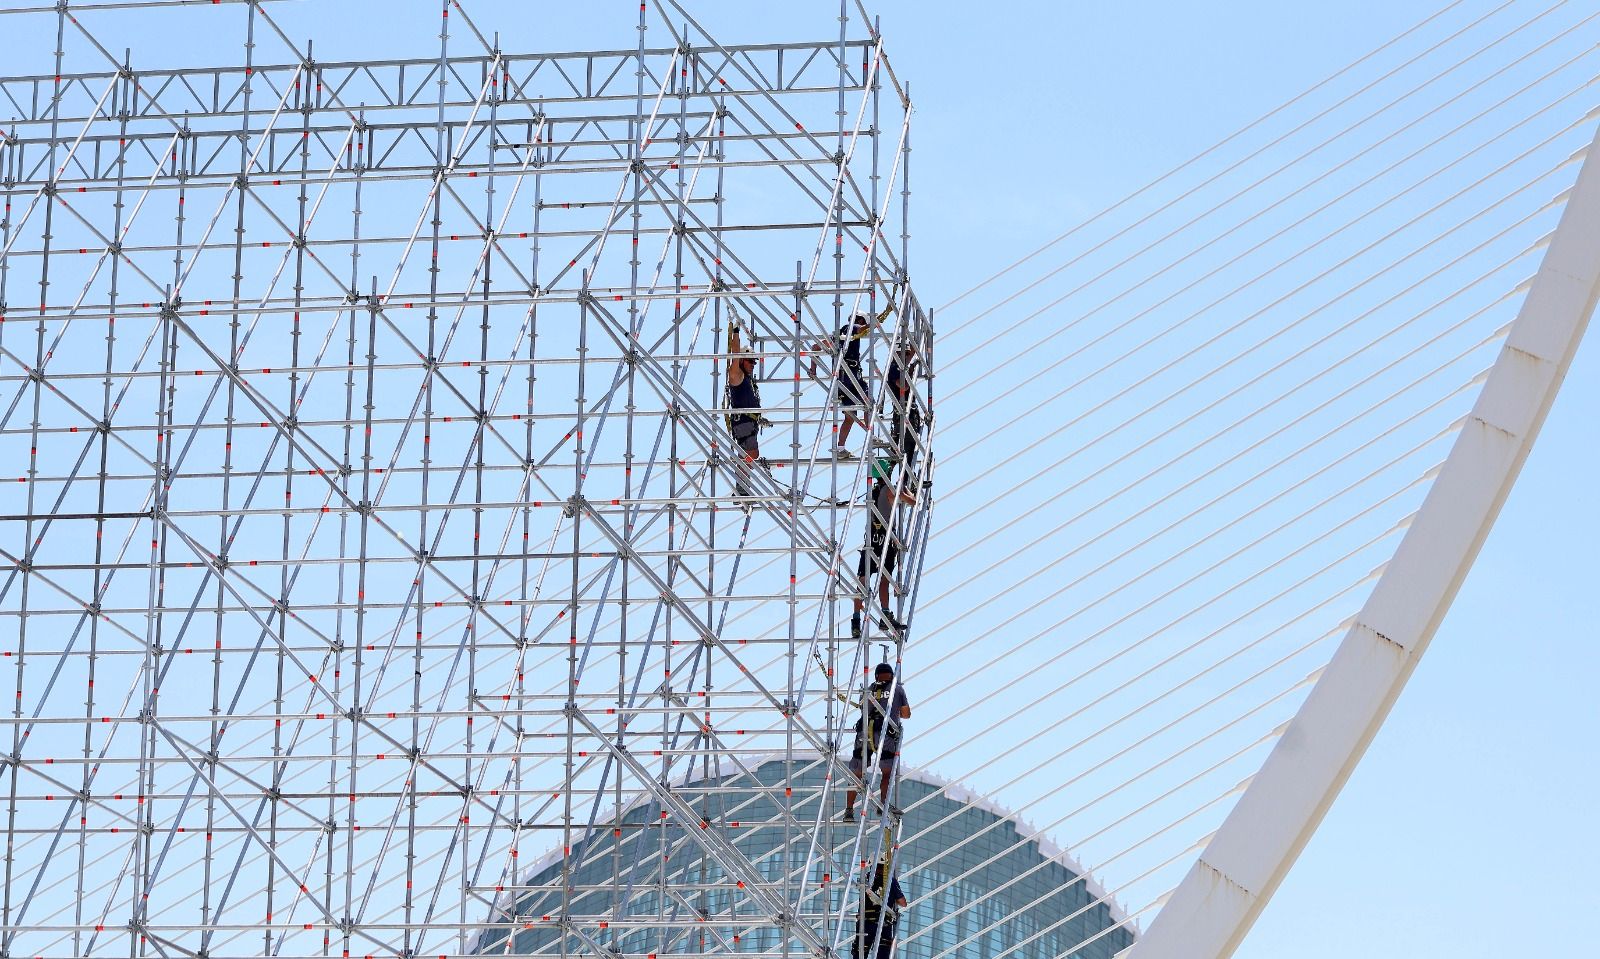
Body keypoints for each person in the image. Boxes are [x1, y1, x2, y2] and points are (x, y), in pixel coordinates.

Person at [811, 299, 895, 459]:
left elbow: (815, 348)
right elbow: (862, 329)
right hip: (851, 376)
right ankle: (871, 437)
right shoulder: (852, 328)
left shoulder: (837, 335)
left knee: (849, 416)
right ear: (859, 319)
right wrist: (884, 315)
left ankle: (840, 448)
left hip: (841, 380)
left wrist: (813, 369)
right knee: (868, 402)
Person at [853, 465, 918, 637]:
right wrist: (906, 490)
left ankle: (856, 620)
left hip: (871, 539)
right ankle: (885, 614)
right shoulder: (889, 489)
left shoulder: (872, 491)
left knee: (862, 580)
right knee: (884, 579)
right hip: (886, 540)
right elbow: (912, 502)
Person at [841, 662, 911, 822]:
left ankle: (849, 810)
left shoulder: (867, 690)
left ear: (876, 676)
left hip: (864, 732)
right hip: (885, 734)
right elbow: (906, 714)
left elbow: (863, 708)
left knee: (856, 772)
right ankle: (883, 805)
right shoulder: (897, 689)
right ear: (892, 675)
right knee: (887, 772)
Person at [725, 321, 767, 502]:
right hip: (742, 423)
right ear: (742, 360)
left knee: (749, 453)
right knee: (750, 453)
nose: (753, 364)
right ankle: (741, 490)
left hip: (748, 423)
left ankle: (742, 489)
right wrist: (735, 332)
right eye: (750, 361)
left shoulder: (748, 379)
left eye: (754, 362)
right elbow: (734, 353)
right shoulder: (737, 374)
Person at [853, 856, 908, 959]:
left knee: (860, 951)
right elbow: (903, 903)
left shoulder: (864, 880)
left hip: (866, 923)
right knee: (883, 951)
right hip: (884, 924)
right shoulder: (890, 881)